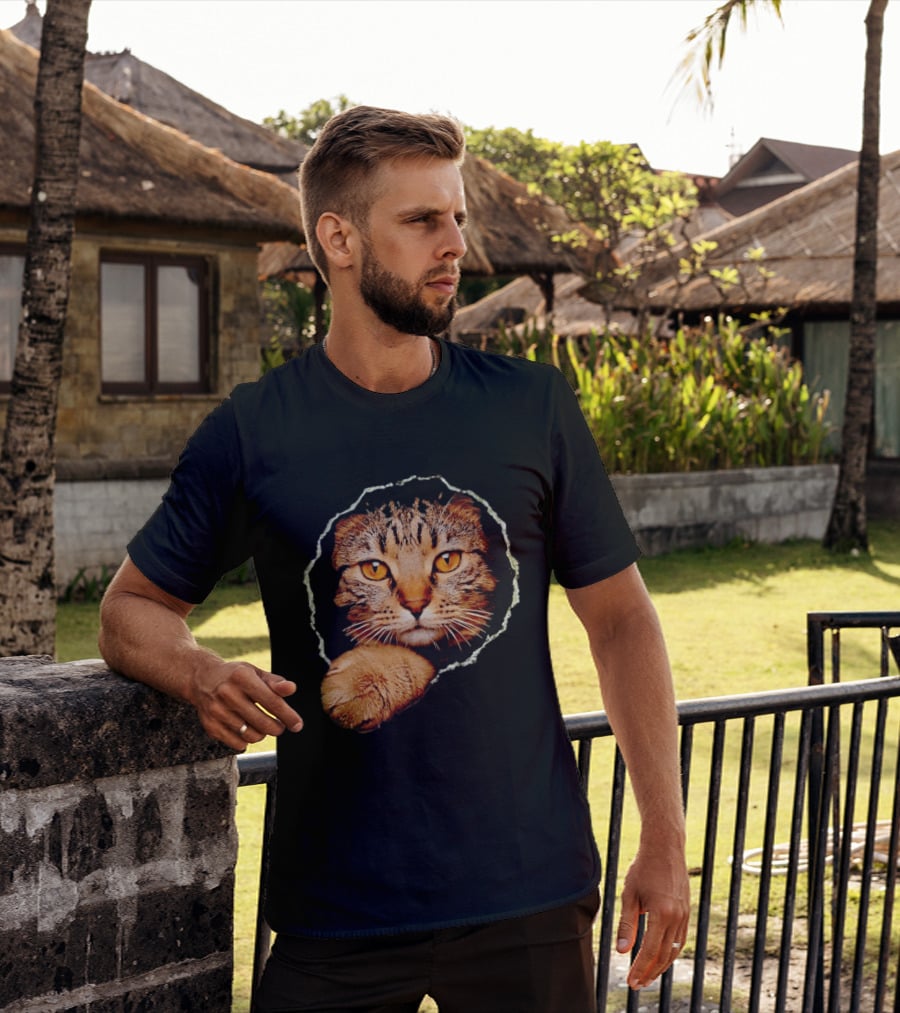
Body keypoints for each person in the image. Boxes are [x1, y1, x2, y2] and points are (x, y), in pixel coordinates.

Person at [99, 105, 690, 1013]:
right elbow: (128, 609)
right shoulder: (256, 432)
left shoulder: (530, 406)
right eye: (421, 221)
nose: (454, 242)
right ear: (338, 237)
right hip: (335, 910)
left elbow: (620, 620)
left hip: (529, 893)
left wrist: (663, 834)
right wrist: (198, 671)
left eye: (455, 216)